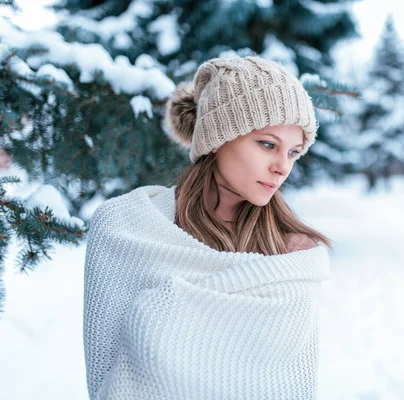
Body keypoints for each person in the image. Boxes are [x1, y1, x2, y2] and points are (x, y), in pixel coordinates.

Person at [83, 56, 333, 400]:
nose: (282, 167)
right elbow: (105, 367)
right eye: (267, 144)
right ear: (219, 137)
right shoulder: (130, 229)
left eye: (293, 152)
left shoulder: (294, 257)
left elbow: (291, 383)